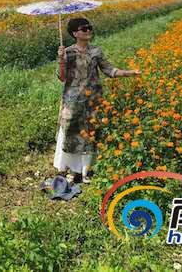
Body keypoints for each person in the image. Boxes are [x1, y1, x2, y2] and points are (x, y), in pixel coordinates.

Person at [54, 17, 140, 184]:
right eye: (84, 28)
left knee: (92, 132)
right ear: (74, 33)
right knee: (72, 133)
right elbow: (62, 77)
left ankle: (86, 170)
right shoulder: (68, 52)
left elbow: (109, 70)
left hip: (93, 99)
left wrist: (131, 73)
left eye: (89, 27)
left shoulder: (96, 51)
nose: (88, 30)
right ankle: (71, 170)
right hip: (73, 99)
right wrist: (61, 60)